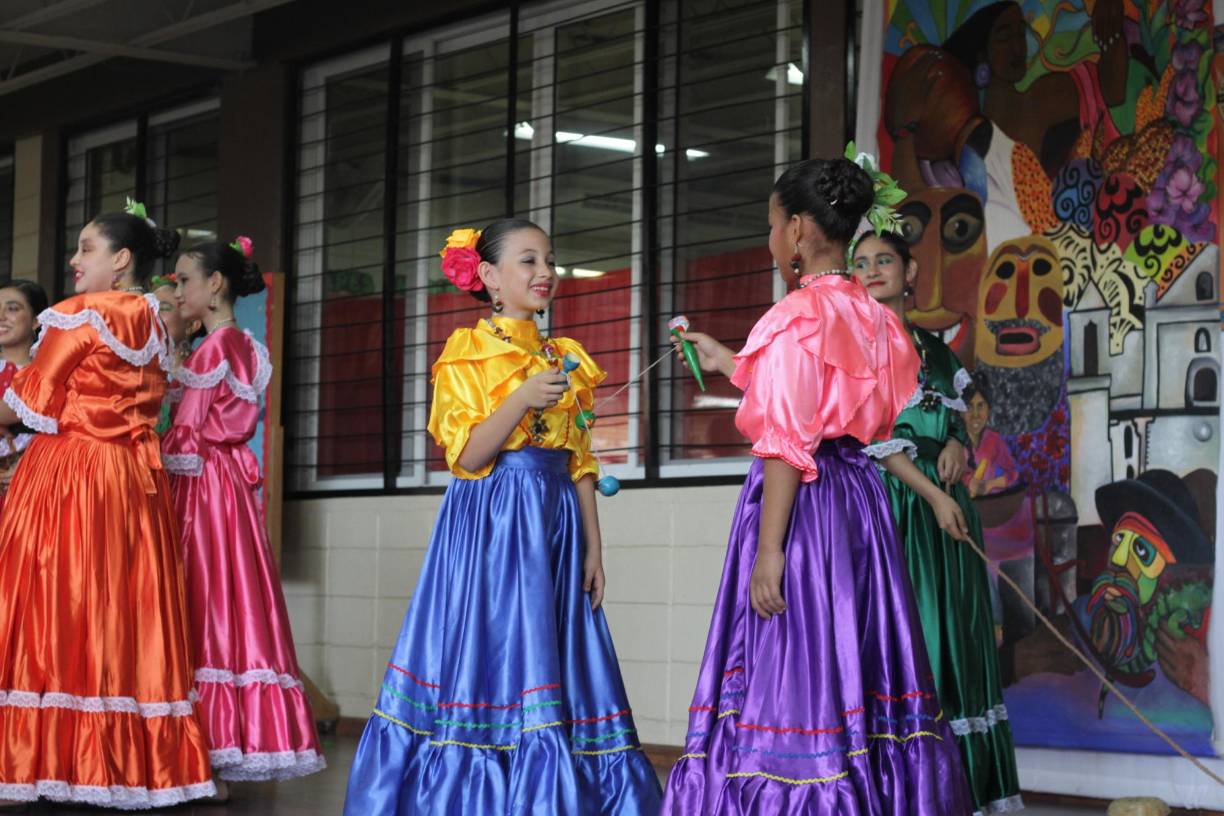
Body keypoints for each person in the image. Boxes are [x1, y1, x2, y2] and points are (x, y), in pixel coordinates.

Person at [661, 159, 972, 814]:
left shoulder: (795, 316)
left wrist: (770, 549)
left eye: (773, 226)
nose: (772, 239)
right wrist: (727, 359)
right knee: (856, 656)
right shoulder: (875, 318)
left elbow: (788, 438)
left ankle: (805, 788)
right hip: (860, 505)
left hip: (804, 509)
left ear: (798, 230)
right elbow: (840, 406)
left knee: (796, 665)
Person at [342, 219, 662, 815]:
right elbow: (467, 456)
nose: (545, 273)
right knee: (494, 650)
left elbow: (580, 459)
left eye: (550, 260)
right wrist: (519, 398)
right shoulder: (467, 352)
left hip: (556, 521)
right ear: (489, 276)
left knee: (556, 651)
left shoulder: (565, 356)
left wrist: (594, 546)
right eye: (528, 260)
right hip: (493, 522)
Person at [0, 205, 215, 809]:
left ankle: (45, 760)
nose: (74, 260)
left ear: (121, 260)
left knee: (53, 605)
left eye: (86, 248)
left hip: (71, 472)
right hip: (129, 481)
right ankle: (117, 766)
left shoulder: (79, 315)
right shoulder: (154, 322)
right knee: (118, 611)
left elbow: (26, 403)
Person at [854, 230, 1022, 815]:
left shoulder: (934, 350)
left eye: (884, 260)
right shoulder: (857, 351)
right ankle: (909, 793)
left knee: (958, 641)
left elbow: (962, 416)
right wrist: (931, 495)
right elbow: (872, 440)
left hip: (947, 512)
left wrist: (956, 444)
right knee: (913, 638)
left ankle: (965, 791)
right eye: (861, 263)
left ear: (910, 271)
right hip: (893, 508)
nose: (872, 270)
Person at [161, 236, 325, 787]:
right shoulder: (246, 344)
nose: (178, 290)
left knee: (202, 596)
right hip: (228, 486)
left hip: (203, 485)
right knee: (232, 598)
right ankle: (226, 741)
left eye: (185, 280)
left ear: (215, 284)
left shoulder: (214, 349)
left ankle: (202, 746)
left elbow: (187, 434)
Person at [0, 279, 48, 511]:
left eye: (12, 308)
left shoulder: (48, 374)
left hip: (30, 498)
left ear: (36, 320)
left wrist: (33, 464)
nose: (1, 316)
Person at [151, 272, 200, 435]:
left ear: (191, 325)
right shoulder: (137, 372)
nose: (153, 316)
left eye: (163, 308)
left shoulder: (200, 379)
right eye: (150, 309)